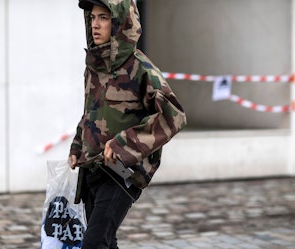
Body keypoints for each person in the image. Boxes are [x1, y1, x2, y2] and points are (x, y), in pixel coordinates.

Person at [69, 0, 187, 248]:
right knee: (105, 242)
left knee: (94, 243)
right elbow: (89, 113)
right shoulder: (93, 67)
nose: (96, 25)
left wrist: (124, 143)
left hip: (122, 172)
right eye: (92, 18)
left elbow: (173, 115)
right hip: (91, 168)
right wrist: (77, 146)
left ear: (120, 22)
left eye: (104, 17)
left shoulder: (141, 68)